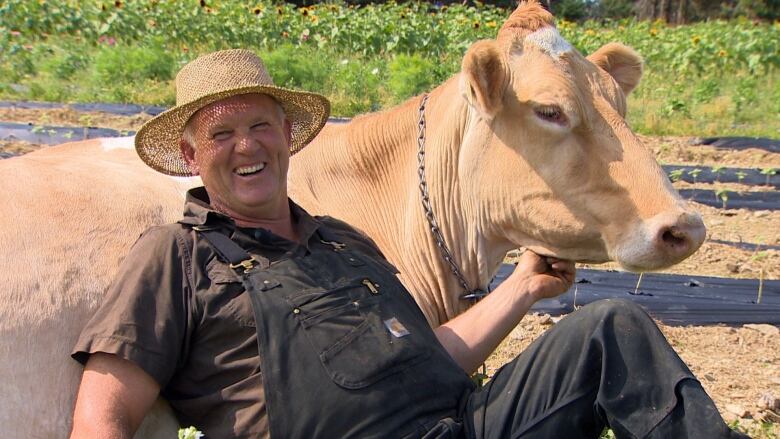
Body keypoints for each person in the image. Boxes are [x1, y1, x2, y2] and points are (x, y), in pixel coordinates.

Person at [70, 49, 746, 439]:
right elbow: (103, 413)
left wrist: (523, 286)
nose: (246, 146)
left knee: (611, 328)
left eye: (261, 125)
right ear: (191, 156)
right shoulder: (177, 257)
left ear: (287, 136)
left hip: (465, 423)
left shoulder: (342, 240)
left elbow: (433, 354)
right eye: (221, 135)